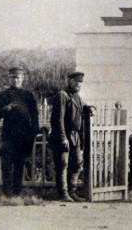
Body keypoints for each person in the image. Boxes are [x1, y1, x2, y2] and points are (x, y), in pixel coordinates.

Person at [0, 65, 39, 197]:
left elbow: (34, 115)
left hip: (24, 135)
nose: (15, 80)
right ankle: (7, 192)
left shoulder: (28, 95)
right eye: (12, 78)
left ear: (22, 79)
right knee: (6, 162)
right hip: (8, 135)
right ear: (9, 79)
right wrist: (6, 108)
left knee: (20, 162)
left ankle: (17, 192)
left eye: (17, 78)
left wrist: (34, 132)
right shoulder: (3, 95)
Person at [49, 71, 90, 202]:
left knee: (77, 163)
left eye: (80, 83)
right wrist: (63, 138)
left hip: (75, 135)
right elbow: (58, 119)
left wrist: (88, 109)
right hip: (63, 134)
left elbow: (82, 111)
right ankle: (62, 193)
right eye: (76, 82)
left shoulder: (77, 97)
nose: (78, 85)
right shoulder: (62, 95)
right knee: (62, 163)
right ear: (70, 81)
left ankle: (72, 191)